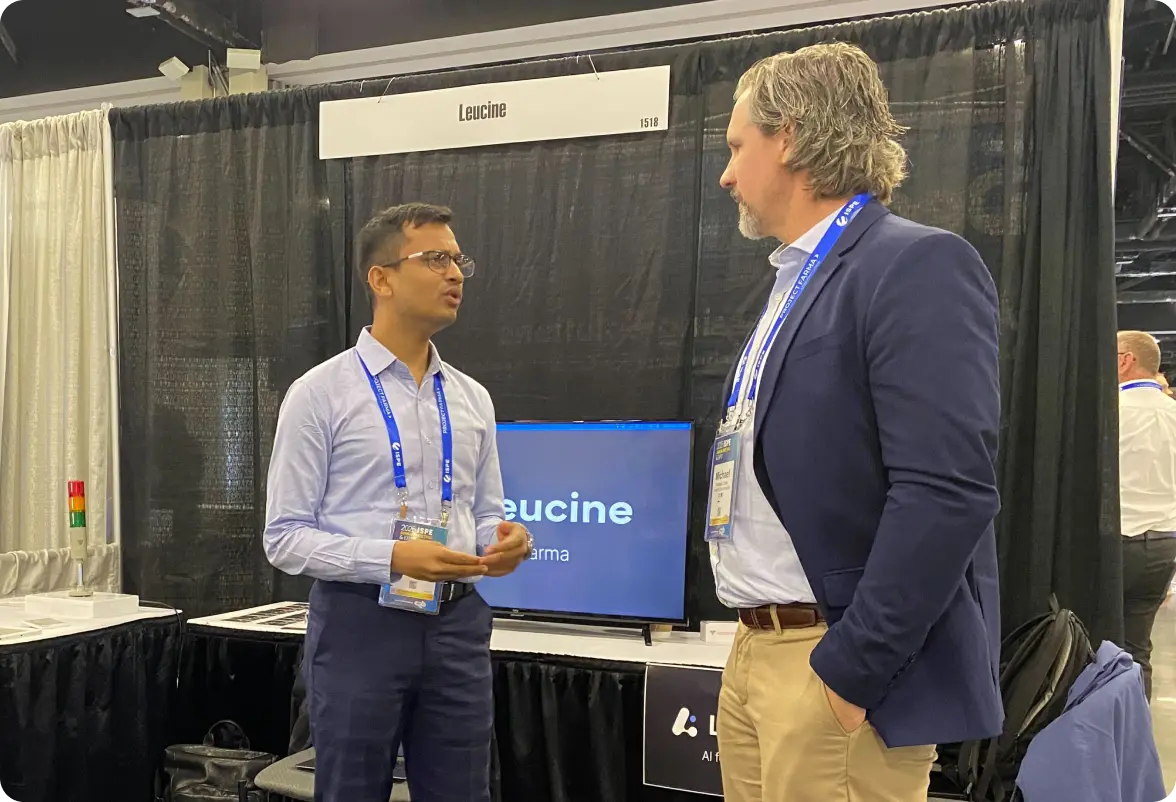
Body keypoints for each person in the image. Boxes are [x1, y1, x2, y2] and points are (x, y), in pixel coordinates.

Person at [708, 42, 1002, 801]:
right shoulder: (794, 280)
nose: (727, 175)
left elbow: (947, 492)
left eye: (738, 146)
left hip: (829, 664)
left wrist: (853, 671)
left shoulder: (913, 265)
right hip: (757, 652)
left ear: (790, 137)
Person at [263, 203, 533, 802]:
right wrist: (392, 558)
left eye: (458, 260)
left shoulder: (472, 397)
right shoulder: (319, 394)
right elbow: (283, 537)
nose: (455, 273)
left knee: (462, 792)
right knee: (352, 789)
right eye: (435, 259)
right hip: (361, 622)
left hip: (458, 623)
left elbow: (487, 512)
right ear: (380, 279)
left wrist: (506, 539)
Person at [1116, 330, 1176, 700]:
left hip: (1117, 543)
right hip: (1164, 546)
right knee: (1138, 649)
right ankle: (1136, 727)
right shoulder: (1172, 413)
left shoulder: (1109, 412)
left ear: (1125, 360)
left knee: (1089, 644)